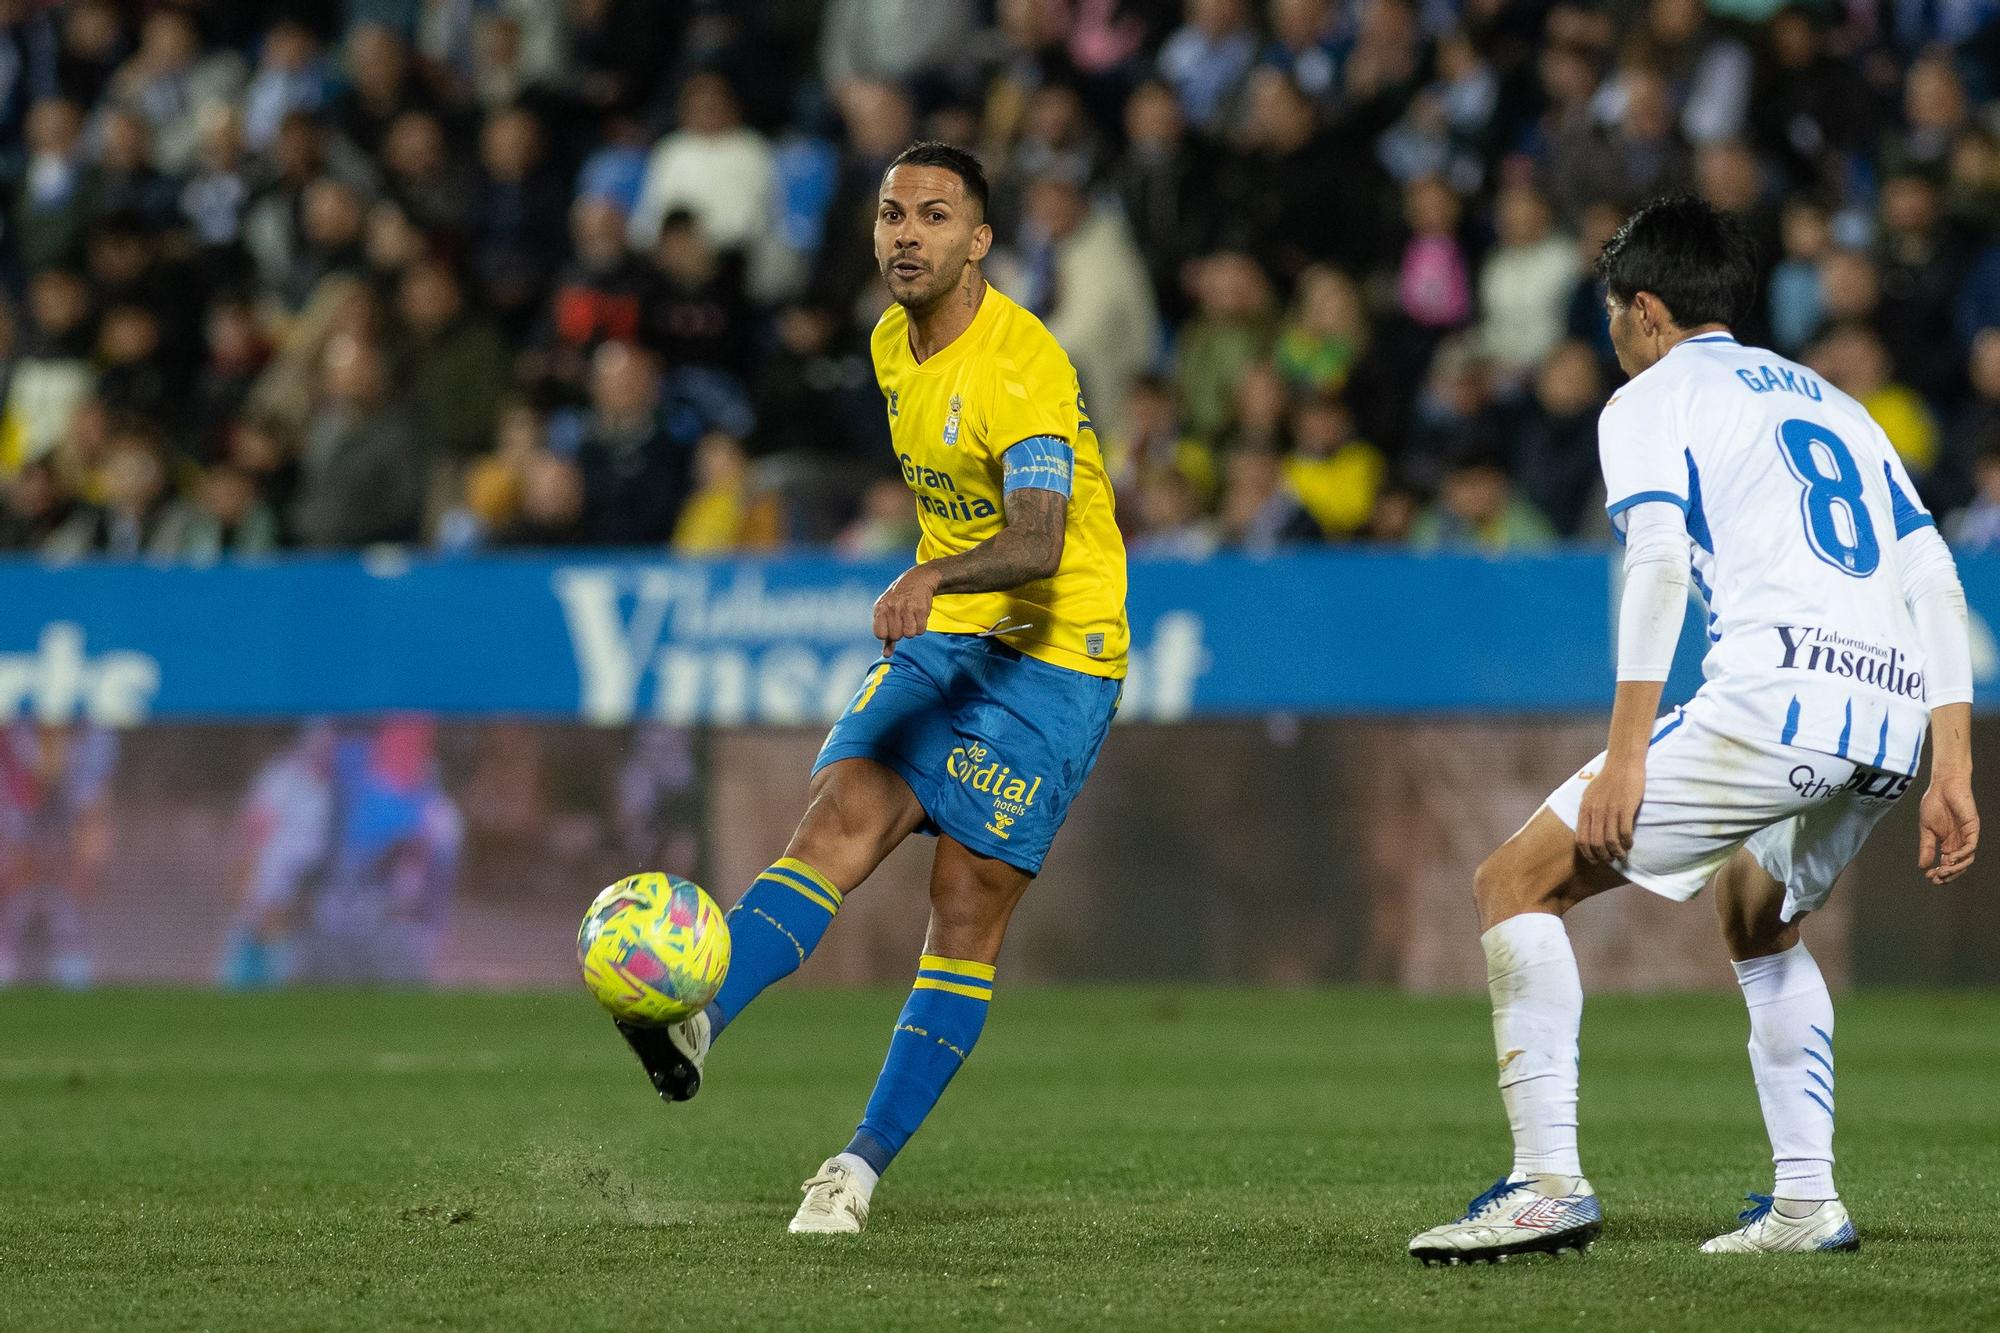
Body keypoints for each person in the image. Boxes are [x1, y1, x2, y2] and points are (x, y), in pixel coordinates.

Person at [1408, 197, 1978, 1264]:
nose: (1611, 335)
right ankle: (1806, 1201)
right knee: (1754, 913)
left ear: (1648, 311)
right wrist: (1952, 759)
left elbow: (1659, 564)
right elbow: (1934, 577)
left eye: (1613, 314)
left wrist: (1624, 753)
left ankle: (1544, 1186)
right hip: (1889, 717)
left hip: (1773, 697)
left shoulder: (1649, 398)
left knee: (1512, 882)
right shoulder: (1837, 403)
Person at [612, 142, 1127, 1235]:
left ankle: (855, 1167)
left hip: (1055, 652)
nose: (906, 235)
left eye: (934, 217)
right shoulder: (892, 341)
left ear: (979, 241)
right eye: (892, 214)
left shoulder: (1023, 363)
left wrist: (931, 572)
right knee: (835, 819)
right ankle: (697, 1021)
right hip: (951, 632)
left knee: (962, 909)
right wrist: (937, 585)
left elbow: (1037, 538)